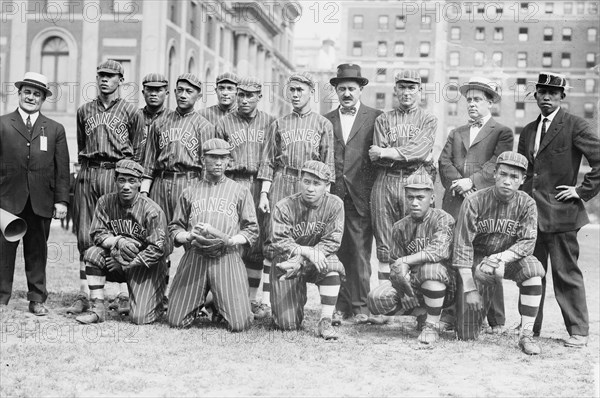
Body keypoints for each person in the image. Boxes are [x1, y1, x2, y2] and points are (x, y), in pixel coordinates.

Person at [518, 72, 600, 348]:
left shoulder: (575, 125)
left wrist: (581, 191)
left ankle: (578, 331)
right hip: (532, 216)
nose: (546, 97)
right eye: (542, 92)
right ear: (536, 96)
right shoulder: (529, 130)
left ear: (562, 97)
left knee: (566, 274)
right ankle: (530, 327)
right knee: (531, 272)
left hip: (563, 214)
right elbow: (524, 172)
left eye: (553, 93)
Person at [67, 60, 144, 315]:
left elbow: (137, 151)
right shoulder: (84, 110)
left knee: (120, 229)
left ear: (121, 80)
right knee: (85, 234)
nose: (104, 80)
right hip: (89, 171)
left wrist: (129, 181)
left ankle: (123, 294)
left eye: (111, 76)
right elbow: (81, 145)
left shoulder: (132, 112)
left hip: (116, 171)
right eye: (101, 75)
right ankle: (85, 294)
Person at [255, 72, 335, 319]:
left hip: (309, 183)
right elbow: (268, 161)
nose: (296, 94)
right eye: (292, 90)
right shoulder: (278, 123)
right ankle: (267, 301)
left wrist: (325, 195)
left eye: (301, 90)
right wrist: (265, 194)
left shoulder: (323, 124)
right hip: (283, 179)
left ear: (311, 92)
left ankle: (306, 299)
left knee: (307, 237)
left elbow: (328, 165)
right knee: (274, 239)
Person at [438, 76, 513, 333]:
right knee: (453, 257)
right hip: (456, 202)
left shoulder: (502, 132)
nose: (471, 104)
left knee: (485, 257)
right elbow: (444, 162)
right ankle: (450, 313)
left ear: (490, 102)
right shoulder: (456, 132)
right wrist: (458, 182)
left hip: (485, 205)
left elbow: (497, 163)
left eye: (477, 99)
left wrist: (472, 183)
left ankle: (496, 319)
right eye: (468, 99)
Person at [453, 151, 545, 355]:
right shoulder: (474, 201)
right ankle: (463, 314)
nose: (507, 181)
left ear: (522, 180)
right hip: (478, 261)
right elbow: (462, 247)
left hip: (507, 257)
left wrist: (501, 258)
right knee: (466, 334)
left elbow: (528, 243)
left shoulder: (527, 203)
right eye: (503, 174)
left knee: (533, 270)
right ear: (494, 174)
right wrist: (469, 288)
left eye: (514, 177)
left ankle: (526, 334)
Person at [167, 138, 258, 331]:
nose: (218, 162)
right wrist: (189, 236)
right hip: (196, 255)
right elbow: (175, 229)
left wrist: (232, 239)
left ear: (228, 161)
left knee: (240, 324)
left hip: (226, 255)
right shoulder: (189, 191)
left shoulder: (240, 191)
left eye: (223, 158)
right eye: (213, 157)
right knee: (176, 321)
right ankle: (206, 300)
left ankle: (217, 301)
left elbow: (252, 230)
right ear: (202, 159)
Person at [368, 70, 438, 317]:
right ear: (395, 90)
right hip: (385, 182)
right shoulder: (383, 119)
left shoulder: (428, 119)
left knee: (416, 240)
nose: (407, 93)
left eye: (412, 88)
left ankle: (416, 305)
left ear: (419, 91)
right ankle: (386, 304)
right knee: (386, 244)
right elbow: (376, 157)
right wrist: (393, 154)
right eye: (402, 88)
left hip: (415, 184)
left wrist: (389, 152)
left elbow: (420, 149)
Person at [0, 72, 70, 315]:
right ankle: (1, 298)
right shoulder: (2, 124)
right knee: (3, 252)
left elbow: (62, 169)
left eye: (37, 94)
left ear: (43, 99)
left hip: (41, 201)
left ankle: (37, 298)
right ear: (19, 94)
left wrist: (61, 200)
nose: (31, 97)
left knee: (37, 250)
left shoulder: (55, 129)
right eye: (27, 92)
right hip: (7, 201)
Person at [75, 160, 170, 325]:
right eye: (122, 180)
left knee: (139, 318)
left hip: (145, 267)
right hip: (116, 259)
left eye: (132, 181)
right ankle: (97, 308)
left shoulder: (152, 211)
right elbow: (97, 234)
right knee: (92, 253)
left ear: (140, 182)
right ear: (115, 181)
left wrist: (126, 263)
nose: (126, 186)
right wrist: (118, 241)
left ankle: (158, 301)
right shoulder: (105, 202)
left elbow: (157, 250)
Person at [323, 63, 383, 324]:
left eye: (351, 89)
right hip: (334, 197)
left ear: (361, 90)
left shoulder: (376, 117)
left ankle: (360, 306)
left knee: (359, 252)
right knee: (336, 252)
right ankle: (339, 305)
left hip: (361, 196)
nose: (346, 93)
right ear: (336, 91)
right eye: (342, 89)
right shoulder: (326, 120)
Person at [367, 173, 455, 344]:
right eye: (410, 197)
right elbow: (395, 264)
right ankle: (422, 314)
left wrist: (407, 260)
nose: (414, 202)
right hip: (415, 284)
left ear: (432, 198)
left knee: (430, 269)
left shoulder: (443, 218)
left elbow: (438, 251)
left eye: (420, 197)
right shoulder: (400, 226)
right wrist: (403, 289)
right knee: (376, 298)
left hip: (446, 284)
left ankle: (432, 325)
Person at [215, 77, 275, 312]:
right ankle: (228, 297)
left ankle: (251, 299)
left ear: (259, 97)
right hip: (233, 182)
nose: (244, 99)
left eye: (250, 95)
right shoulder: (224, 122)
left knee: (256, 243)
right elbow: (217, 159)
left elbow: (269, 160)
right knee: (231, 239)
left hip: (259, 184)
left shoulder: (270, 122)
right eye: (241, 94)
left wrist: (265, 193)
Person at [270, 160, 345, 340]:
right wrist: (304, 251)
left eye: (317, 183)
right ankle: (285, 307)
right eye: (306, 182)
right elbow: (279, 241)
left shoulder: (335, 204)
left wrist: (306, 258)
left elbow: (332, 241)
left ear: (327, 186)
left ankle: (325, 320)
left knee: (332, 264)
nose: (310, 188)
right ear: (299, 181)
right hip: (287, 263)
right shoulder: (284, 206)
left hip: (315, 260)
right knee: (287, 324)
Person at [138, 73, 169, 164]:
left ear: (166, 94)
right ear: (143, 93)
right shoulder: (134, 116)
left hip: (161, 172)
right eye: (149, 90)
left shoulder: (173, 118)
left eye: (158, 90)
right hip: (135, 170)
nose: (153, 94)